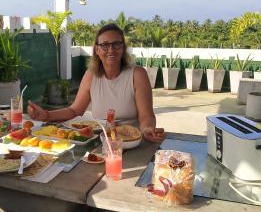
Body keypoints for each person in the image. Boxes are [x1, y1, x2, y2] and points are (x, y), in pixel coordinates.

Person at [28, 23, 165, 143]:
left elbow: (146, 115)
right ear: (97, 50)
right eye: (105, 45)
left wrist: (147, 129)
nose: (111, 50)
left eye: (116, 44)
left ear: (123, 48)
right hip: (100, 141)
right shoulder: (91, 75)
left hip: (131, 142)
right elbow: (75, 110)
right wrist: (46, 115)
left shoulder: (137, 74)